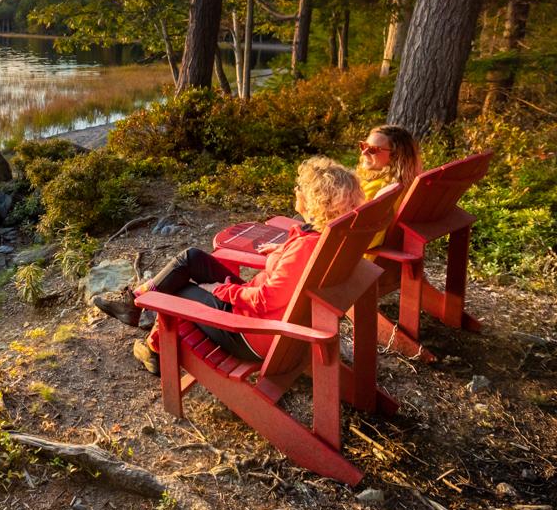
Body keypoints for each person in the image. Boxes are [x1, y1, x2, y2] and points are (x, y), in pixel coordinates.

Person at [95, 157, 365, 374]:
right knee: (192, 258)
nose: (296, 191)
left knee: (175, 291)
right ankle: (135, 303)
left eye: (300, 188)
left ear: (316, 201)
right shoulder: (327, 239)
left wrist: (221, 291)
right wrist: (281, 252)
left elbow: (265, 299)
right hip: (270, 319)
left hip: (253, 332)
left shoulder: (305, 248)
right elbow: (292, 273)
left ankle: (153, 349)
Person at [355, 124, 421, 248]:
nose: (364, 153)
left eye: (373, 149)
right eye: (364, 146)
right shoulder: (402, 182)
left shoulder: (378, 189)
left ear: (395, 156)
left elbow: (367, 240)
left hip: (358, 258)